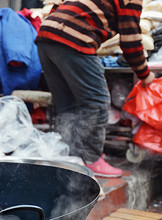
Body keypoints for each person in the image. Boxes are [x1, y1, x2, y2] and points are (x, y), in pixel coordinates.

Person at [35, 0, 155, 177]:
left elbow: (60, 6)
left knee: (67, 104)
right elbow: (130, 41)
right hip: (74, 40)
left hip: (47, 36)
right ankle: (91, 159)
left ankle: (74, 157)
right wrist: (145, 74)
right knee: (97, 102)